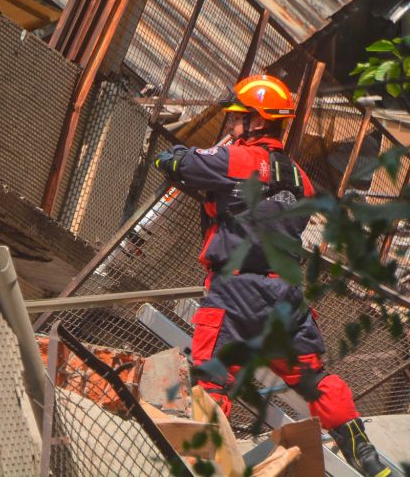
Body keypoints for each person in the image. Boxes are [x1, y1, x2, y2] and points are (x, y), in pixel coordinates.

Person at [153, 74, 390, 477]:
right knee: (315, 378)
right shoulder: (302, 179)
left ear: (258, 121)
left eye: (237, 118)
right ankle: (366, 456)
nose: (230, 125)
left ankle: (204, 467)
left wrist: (205, 152)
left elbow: (176, 162)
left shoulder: (236, 159)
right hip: (284, 297)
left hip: (234, 292)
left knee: (212, 377)